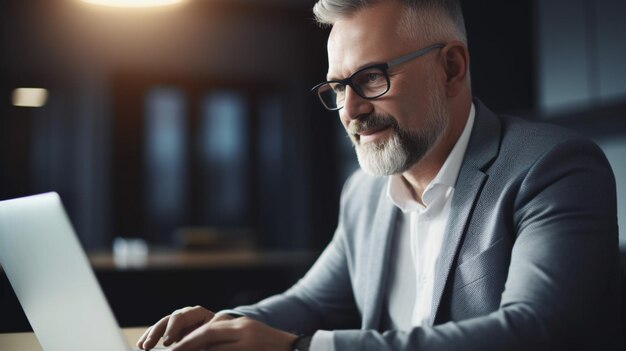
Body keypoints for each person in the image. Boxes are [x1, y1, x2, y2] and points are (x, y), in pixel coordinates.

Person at [137, 0, 624, 350]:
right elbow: (310, 300)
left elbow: (535, 332)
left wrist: (300, 349)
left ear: (451, 68)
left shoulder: (555, 167)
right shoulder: (363, 193)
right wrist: (224, 327)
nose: (350, 110)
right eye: (337, 86)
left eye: (371, 78)